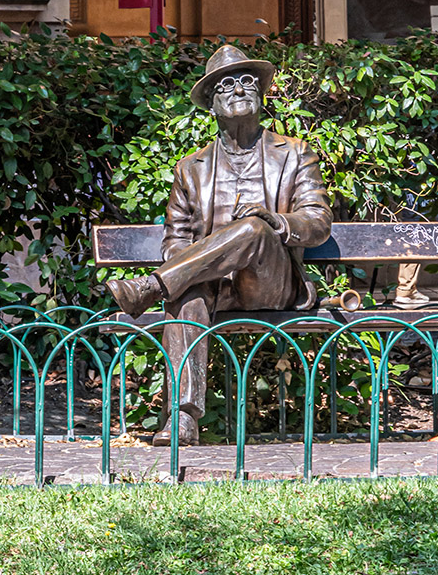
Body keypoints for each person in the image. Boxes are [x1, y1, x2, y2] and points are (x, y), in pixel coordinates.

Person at [107, 44, 333, 446]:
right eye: (226, 85)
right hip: (213, 288)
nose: (239, 89)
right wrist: (187, 266)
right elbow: (176, 239)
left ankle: (152, 287)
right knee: (185, 291)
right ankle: (182, 419)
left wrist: (277, 222)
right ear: (211, 104)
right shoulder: (190, 168)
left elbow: (318, 221)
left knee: (253, 229)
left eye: (247, 81)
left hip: (271, 283)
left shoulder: (294, 153)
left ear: (260, 95)